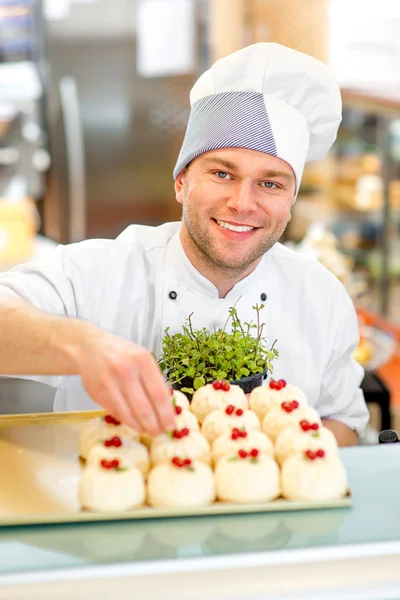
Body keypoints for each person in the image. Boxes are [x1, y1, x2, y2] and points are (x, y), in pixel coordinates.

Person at [0, 43, 369, 444]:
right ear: (181, 181)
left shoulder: (322, 297)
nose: (242, 203)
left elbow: (345, 424)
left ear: (291, 201)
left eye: (270, 183)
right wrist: (84, 346)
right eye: (222, 174)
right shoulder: (99, 273)